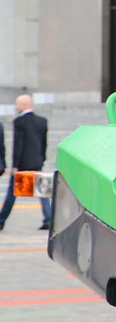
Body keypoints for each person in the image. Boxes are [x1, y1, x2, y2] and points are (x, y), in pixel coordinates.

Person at [8, 95, 49, 231]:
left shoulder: (19, 122)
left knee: (12, 192)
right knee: (42, 191)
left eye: (17, 104)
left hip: (23, 163)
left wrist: (15, 165)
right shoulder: (42, 121)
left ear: (24, 105)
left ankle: (1, 220)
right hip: (37, 160)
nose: (15, 107)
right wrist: (41, 158)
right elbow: (44, 143)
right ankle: (48, 218)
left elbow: (18, 144)